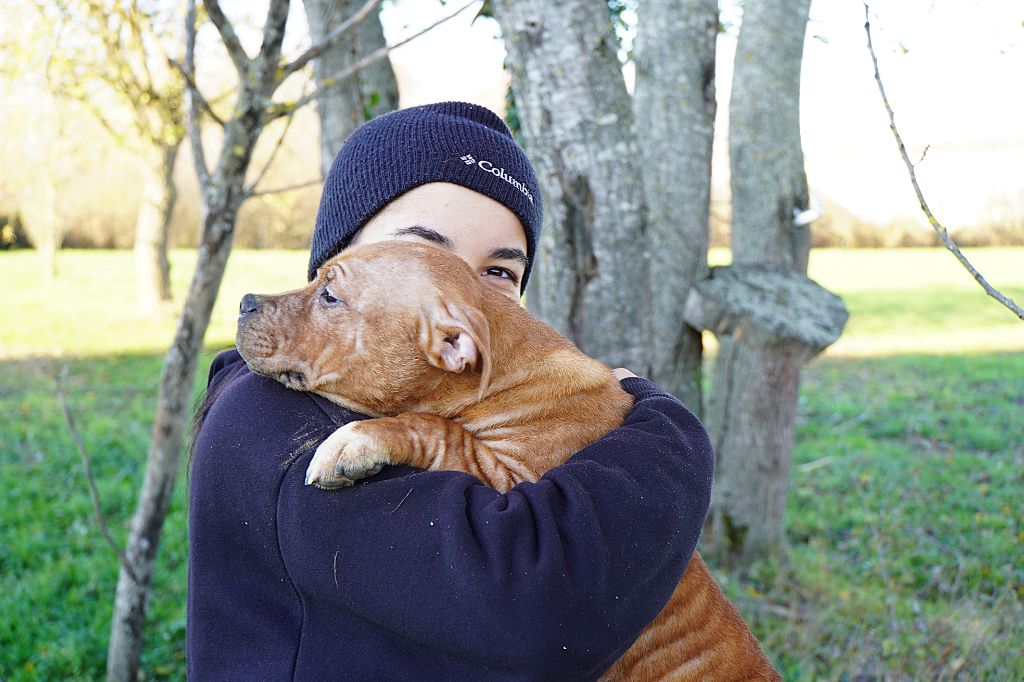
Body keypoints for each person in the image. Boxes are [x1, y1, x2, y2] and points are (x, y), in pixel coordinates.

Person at [187, 101, 713, 680]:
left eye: (499, 274)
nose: (462, 288)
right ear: (338, 252)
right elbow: (543, 604)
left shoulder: (465, 402)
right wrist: (665, 422)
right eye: (427, 254)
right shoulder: (271, 428)